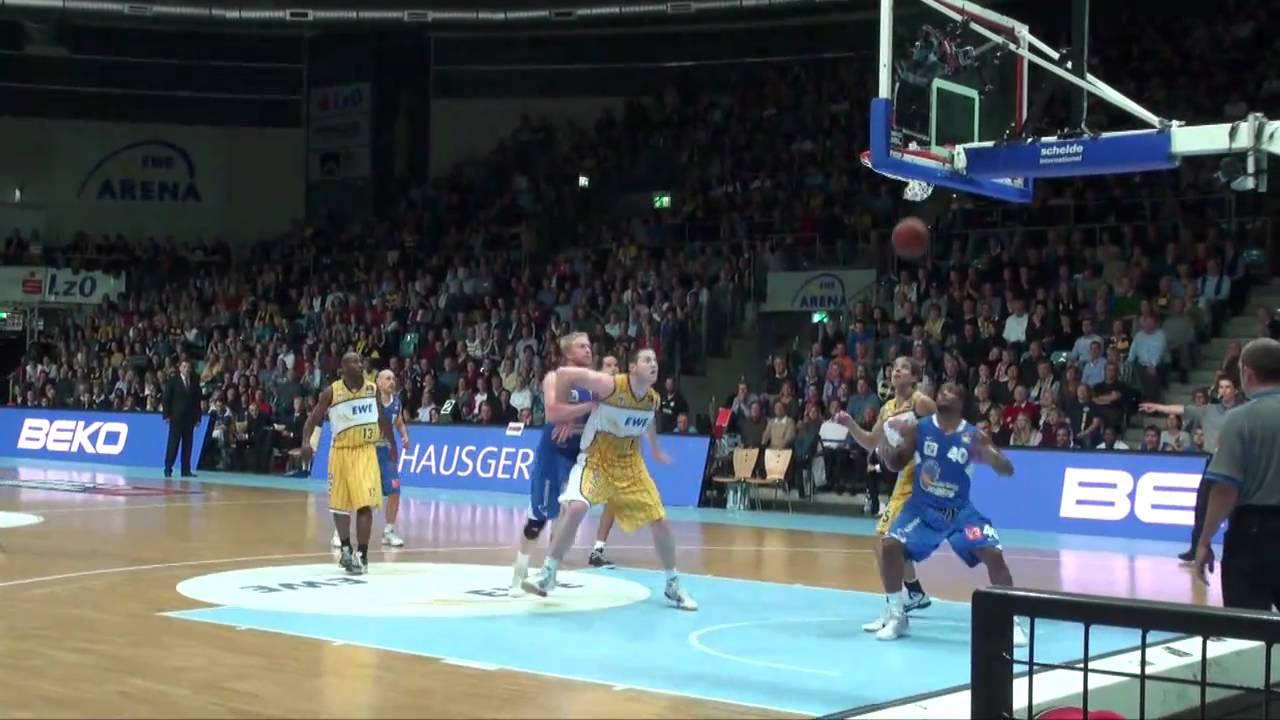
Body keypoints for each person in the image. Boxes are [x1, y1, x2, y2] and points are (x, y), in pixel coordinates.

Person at [521, 349, 697, 610]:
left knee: (659, 520)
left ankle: (673, 583)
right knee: (577, 507)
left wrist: (656, 449)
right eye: (647, 360)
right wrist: (565, 414)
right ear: (633, 367)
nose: (654, 364)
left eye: (655, 361)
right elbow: (564, 374)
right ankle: (548, 573)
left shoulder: (652, 399)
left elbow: (648, 421)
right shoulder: (610, 385)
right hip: (596, 461)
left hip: (630, 467)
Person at [873, 383, 1026, 644]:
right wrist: (886, 442)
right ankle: (897, 616)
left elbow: (1007, 470)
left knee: (993, 554)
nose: (945, 393)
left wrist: (993, 457)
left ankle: (1011, 621)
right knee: (889, 545)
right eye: (942, 390)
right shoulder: (918, 428)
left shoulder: (974, 435)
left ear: (961, 403)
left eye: (953, 392)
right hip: (923, 509)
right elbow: (896, 463)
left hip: (959, 512)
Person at [833, 356, 936, 631]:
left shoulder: (921, 403)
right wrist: (850, 424)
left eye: (903, 367)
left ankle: (896, 612)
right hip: (903, 480)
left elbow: (943, 434)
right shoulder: (887, 408)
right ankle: (899, 604)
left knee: (884, 539)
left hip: (921, 479)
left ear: (914, 377)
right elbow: (870, 442)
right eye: (894, 367)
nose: (896, 370)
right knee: (888, 543)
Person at [509, 333, 599, 595]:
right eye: (582, 346)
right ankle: (519, 572)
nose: (588, 349)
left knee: (571, 510)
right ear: (568, 353)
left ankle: (549, 571)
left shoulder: (595, 384)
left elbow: (599, 415)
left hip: (579, 453)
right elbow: (552, 412)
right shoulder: (554, 378)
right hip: (552, 453)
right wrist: (586, 408)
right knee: (537, 519)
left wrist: (578, 418)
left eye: (589, 346)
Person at [1194, 338, 1280, 610]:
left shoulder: (1239, 419)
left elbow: (1225, 488)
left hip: (1253, 533)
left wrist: (1204, 541)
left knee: (1247, 624)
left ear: (1247, 374)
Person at [302, 353, 397, 575]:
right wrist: (306, 442)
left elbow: (381, 418)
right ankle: (346, 548)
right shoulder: (332, 392)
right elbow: (313, 419)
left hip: (365, 451)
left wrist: (393, 444)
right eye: (354, 362)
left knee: (365, 504)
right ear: (343, 367)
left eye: (360, 361)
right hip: (340, 453)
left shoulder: (372, 389)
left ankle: (362, 555)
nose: (360, 364)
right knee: (340, 506)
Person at [1140, 376, 1241, 561]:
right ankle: (1197, 548)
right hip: (1213, 463)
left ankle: (1236, 551)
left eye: (1228, 387)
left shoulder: (1244, 411)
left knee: (1236, 510)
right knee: (1202, 507)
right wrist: (1157, 407)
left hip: (1236, 462)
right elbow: (1181, 409)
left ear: (1235, 390)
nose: (1224, 391)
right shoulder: (1209, 410)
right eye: (1221, 387)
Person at [333, 369, 410, 548]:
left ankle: (389, 531)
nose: (392, 381)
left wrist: (405, 435)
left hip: (386, 453)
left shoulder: (396, 403)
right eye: (388, 378)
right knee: (357, 494)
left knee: (395, 491)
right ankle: (339, 532)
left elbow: (398, 422)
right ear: (378, 382)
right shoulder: (368, 401)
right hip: (367, 450)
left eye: (393, 378)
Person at [590, 353, 620, 568]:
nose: (614, 368)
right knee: (576, 501)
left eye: (616, 365)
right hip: (592, 450)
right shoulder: (595, 390)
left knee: (613, 500)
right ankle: (557, 542)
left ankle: (598, 550)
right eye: (609, 365)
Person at [162, 359, 203, 478]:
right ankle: (168, 469)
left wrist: (198, 417)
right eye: (184, 367)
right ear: (180, 368)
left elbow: (197, 401)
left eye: (188, 367)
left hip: (189, 418)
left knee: (187, 445)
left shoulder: (194, 382)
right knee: (173, 444)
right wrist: (166, 415)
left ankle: (186, 470)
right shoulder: (173, 381)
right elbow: (166, 399)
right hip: (176, 418)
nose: (187, 369)